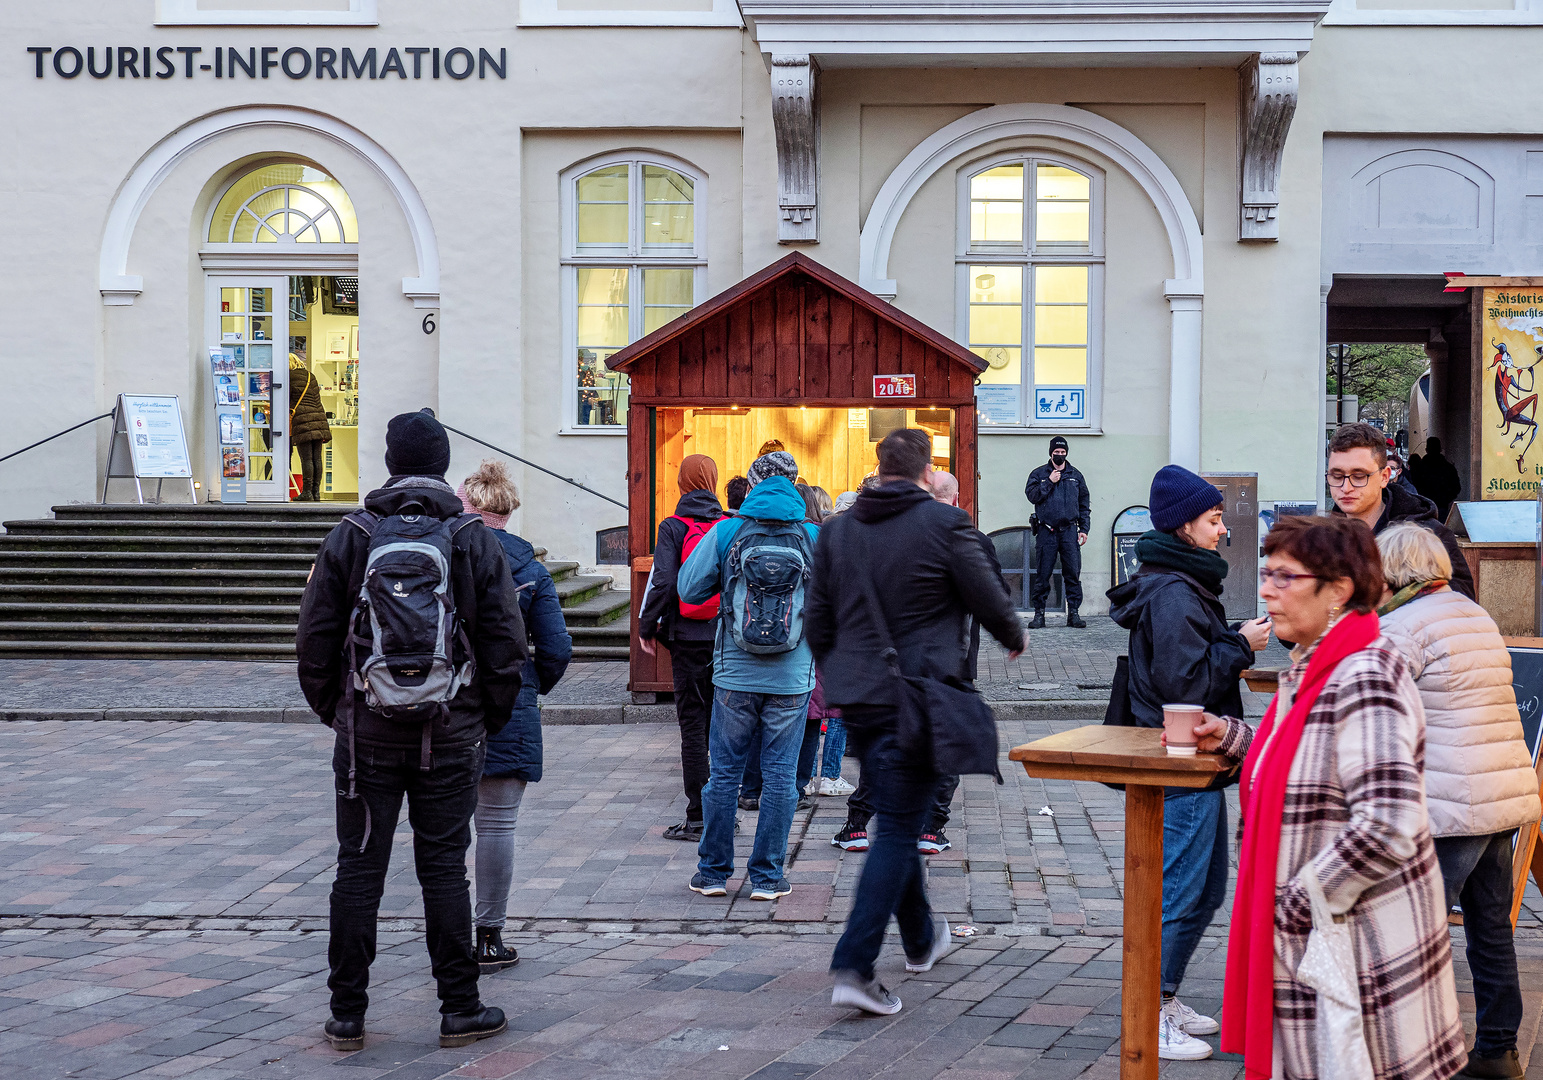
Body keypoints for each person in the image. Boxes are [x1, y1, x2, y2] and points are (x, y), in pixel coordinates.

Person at [1191, 515, 1463, 1080]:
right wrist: (1235, 737)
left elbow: (1389, 822)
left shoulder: (1363, 673)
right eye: (1267, 573)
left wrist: (1301, 899)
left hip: (1357, 945)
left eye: (1286, 577)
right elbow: (1308, 761)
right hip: (1325, 938)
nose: (1266, 589)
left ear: (1337, 590)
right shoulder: (1317, 664)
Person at [296, 409, 526, 1052]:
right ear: (444, 463)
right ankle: (459, 1009)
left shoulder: (352, 534)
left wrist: (342, 714)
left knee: (358, 871)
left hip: (365, 735)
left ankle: (346, 1015)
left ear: (391, 461)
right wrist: (481, 718)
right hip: (451, 733)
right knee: (445, 871)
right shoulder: (471, 537)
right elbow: (506, 645)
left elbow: (313, 640)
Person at [808, 430, 1024, 1016]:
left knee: (897, 816)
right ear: (927, 472)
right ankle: (855, 964)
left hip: (862, 698)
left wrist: (842, 670)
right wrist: (1013, 636)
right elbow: (988, 596)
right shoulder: (944, 526)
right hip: (921, 696)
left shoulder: (837, 531)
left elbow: (816, 620)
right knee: (901, 828)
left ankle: (923, 936)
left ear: (879, 467)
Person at [1105, 465, 1272, 1062]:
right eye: (1213, 519)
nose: (1223, 530)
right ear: (1184, 526)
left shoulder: (1181, 583)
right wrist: (1240, 646)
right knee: (1181, 889)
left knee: (1203, 887)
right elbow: (1184, 682)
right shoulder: (1174, 592)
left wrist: (1227, 638)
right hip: (1178, 761)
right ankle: (1149, 1010)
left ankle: (1163, 996)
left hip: (1196, 762)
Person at [1375, 523, 1541, 1080]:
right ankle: (1499, 1051)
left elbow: (1378, 713)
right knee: (1491, 930)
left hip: (1449, 805)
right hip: (1500, 797)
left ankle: (1408, 1057)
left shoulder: (1401, 627)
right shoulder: (1474, 613)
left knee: (1413, 935)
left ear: (1393, 572)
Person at [676, 450, 821, 902]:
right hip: (793, 677)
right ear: (795, 484)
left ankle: (713, 873)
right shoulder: (815, 536)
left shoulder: (725, 531)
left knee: (723, 775)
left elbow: (688, 589)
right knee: (780, 777)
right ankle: (767, 878)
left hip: (734, 674)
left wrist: (730, 593)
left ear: (756, 483)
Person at [456, 461, 572, 973]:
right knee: (498, 825)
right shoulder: (530, 566)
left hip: (447, 701)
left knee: (445, 826)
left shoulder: (447, 553)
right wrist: (528, 687)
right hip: (509, 703)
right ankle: (489, 933)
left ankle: (447, 932)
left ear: (471, 507)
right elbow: (556, 648)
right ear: (507, 510)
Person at [638, 455, 726, 843]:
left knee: (692, 727)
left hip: (687, 638)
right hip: (726, 638)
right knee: (723, 729)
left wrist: (646, 626)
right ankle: (724, 814)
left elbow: (663, 580)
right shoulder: (728, 524)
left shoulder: (673, 526)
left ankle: (697, 818)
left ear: (682, 483)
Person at [1327, 422, 1474, 600]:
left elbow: (1461, 602)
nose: (1346, 487)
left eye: (1359, 477)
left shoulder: (1428, 535)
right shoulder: (1322, 538)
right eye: (1337, 476)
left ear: (1384, 477)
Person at [1023, 435, 1090, 628]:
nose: (1059, 455)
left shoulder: (1076, 475)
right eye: (1056, 453)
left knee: (1072, 573)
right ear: (1050, 453)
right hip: (1047, 531)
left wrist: (1084, 529)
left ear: (1066, 453)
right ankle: (1039, 614)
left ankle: (1074, 614)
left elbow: (1084, 504)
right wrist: (1049, 481)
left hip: (1069, 531)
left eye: (1063, 452)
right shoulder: (1039, 474)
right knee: (1043, 574)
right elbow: (1032, 496)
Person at [288, 352, 332, 501]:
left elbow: (287, 399)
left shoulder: (290, 377)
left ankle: (307, 492)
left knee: (306, 458)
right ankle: (316, 492)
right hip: (319, 418)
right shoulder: (310, 376)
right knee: (316, 458)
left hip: (303, 420)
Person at [1415, 435, 1464, 521]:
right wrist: (1446, 499)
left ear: (1426, 450)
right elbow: (1456, 487)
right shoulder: (1448, 468)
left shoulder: (1419, 468)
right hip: (1441, 505)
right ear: (1440, 450)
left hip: (1424, 505)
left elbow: (1415, 485)